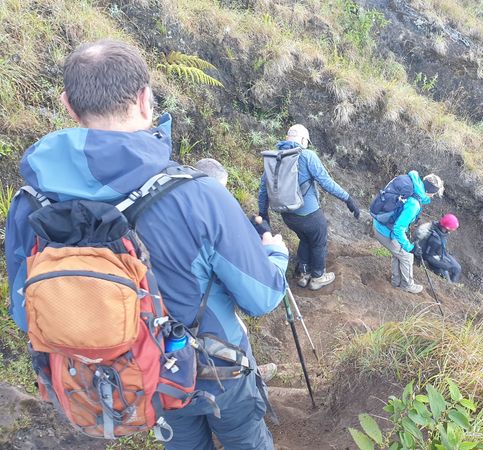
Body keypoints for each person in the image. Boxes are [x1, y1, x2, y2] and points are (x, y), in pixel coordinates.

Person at [5, 40, 288, 449]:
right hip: (217, 368)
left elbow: (24, 313)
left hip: (137, 379)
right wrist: (275, 254)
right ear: (144, 99)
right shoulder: (199, 195)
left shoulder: (29, 202)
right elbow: (263, 298)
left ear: (68, 105)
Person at [195, 157, 278, 382]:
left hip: (169, 309)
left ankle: (250, 370)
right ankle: (250, 376)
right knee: (236, 332)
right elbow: (260, 299)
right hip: (203, 310)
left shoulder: (174, 210)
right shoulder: (215, 219)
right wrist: (274, 248)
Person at [258, 124, 360, 291]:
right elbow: (326, 182)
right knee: (319, 240)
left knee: (305, 238)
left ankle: (303, 275)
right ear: (304, 140)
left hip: (288, 216)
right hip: (309, 214)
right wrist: (348, 199)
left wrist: (263, 214)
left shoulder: (274, 158)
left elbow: (263, 190)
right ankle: (318, 277)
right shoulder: (307, 156)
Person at [373, 171, 444, 294]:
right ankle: (407, 285)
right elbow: (398, 229)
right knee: (407, 256)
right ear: (430, 192)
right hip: (385, 231)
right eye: (434, 194)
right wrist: (410, 248)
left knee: (398, 253)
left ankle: (396, 282)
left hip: (380, 223)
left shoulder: (411, 184)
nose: (433, 196)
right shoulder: (414, 204)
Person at [419, 213, 462, 283]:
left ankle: (454, 286)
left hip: (441, 253)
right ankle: (450, 286)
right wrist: (444, 265)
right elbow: (427, 256)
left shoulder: (442, 231)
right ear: (447, 228)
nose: (452, 231)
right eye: (452, 229)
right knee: (447, 278)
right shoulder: (434, 239)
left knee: (457, 268)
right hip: (433, 259)